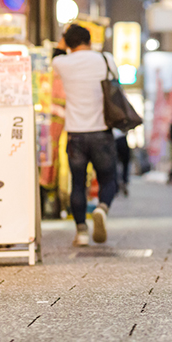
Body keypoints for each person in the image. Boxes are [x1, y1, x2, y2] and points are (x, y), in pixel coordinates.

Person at [52, 24, 120, 246]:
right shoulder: (105, 59)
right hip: (101, 131)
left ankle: (81, 232)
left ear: (68, 44)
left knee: (78, 183)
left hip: (76, 135)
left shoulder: (62, 63)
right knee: (109, 179)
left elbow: (57, 53)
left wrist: (63, 42)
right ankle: (102, 208)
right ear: (90, 41)